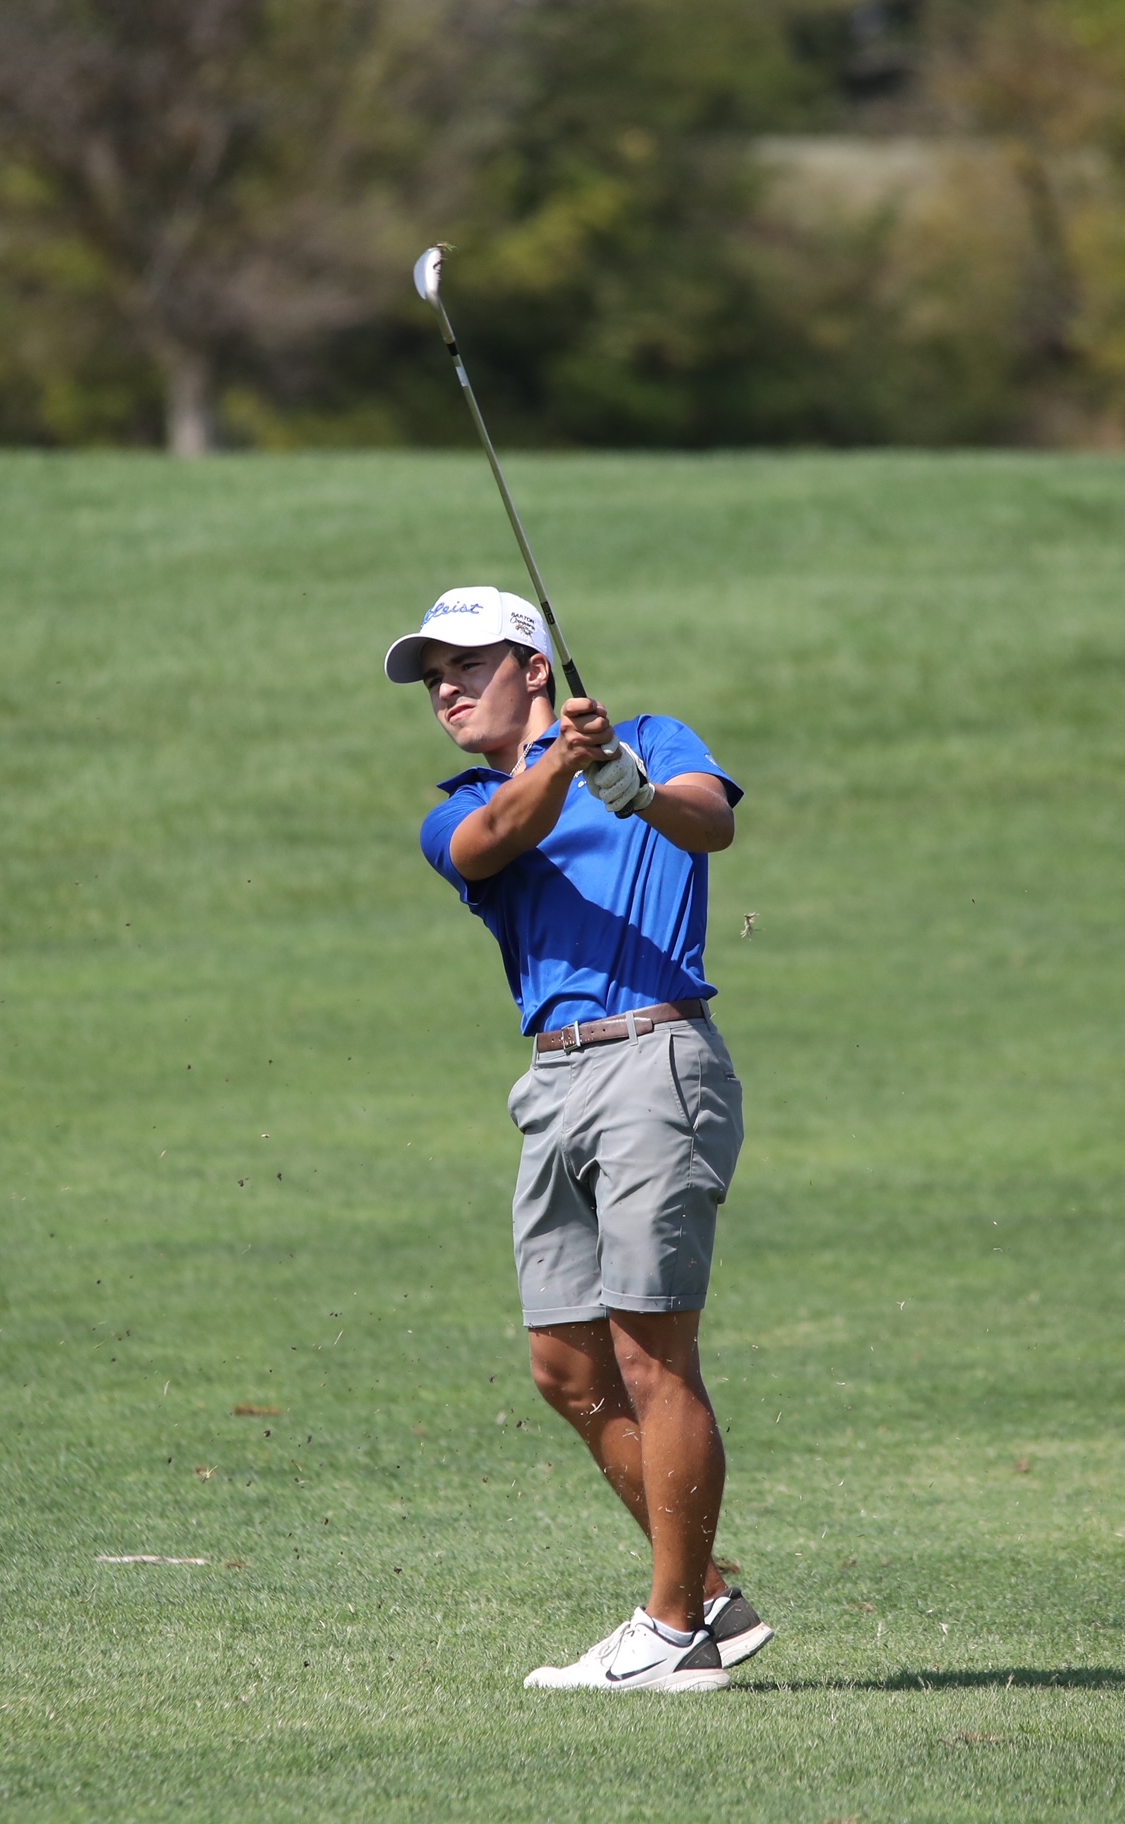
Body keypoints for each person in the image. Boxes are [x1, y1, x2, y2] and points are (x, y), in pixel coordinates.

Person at [384, 585, 771, 1694]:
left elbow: (712, 821)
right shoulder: (459, 804)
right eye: (431, 676)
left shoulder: (650, 740)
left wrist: (630, 786)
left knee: (654, 1356)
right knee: (566, 1367)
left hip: (657, 1057)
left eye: (466, 664)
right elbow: (492, 842)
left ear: (534, 665)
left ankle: (669, 1631)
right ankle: (703, 1602)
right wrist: (561, 765)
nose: (444, 689)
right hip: (552, 1083)